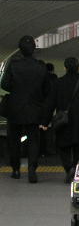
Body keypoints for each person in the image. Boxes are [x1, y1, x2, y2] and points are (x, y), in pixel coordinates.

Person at [0, 35, 48, 182]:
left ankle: (15, 169)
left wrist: (17, 89)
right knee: (33, 140)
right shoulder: (40, 66)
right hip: (34, 108)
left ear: (20, 49)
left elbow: (4, 84)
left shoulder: (13, 65)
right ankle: (32, 169)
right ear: (34, 49)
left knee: (13, 140)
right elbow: (46, 88)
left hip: (15, 107)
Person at [47, 57, 79, 183]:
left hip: (63, 121)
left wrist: (45, 120)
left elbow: (51, 102)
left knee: (63, 146)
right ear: (78, 67)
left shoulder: (58, 82)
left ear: (65, 68)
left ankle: (68, 167)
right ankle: (75, 167)